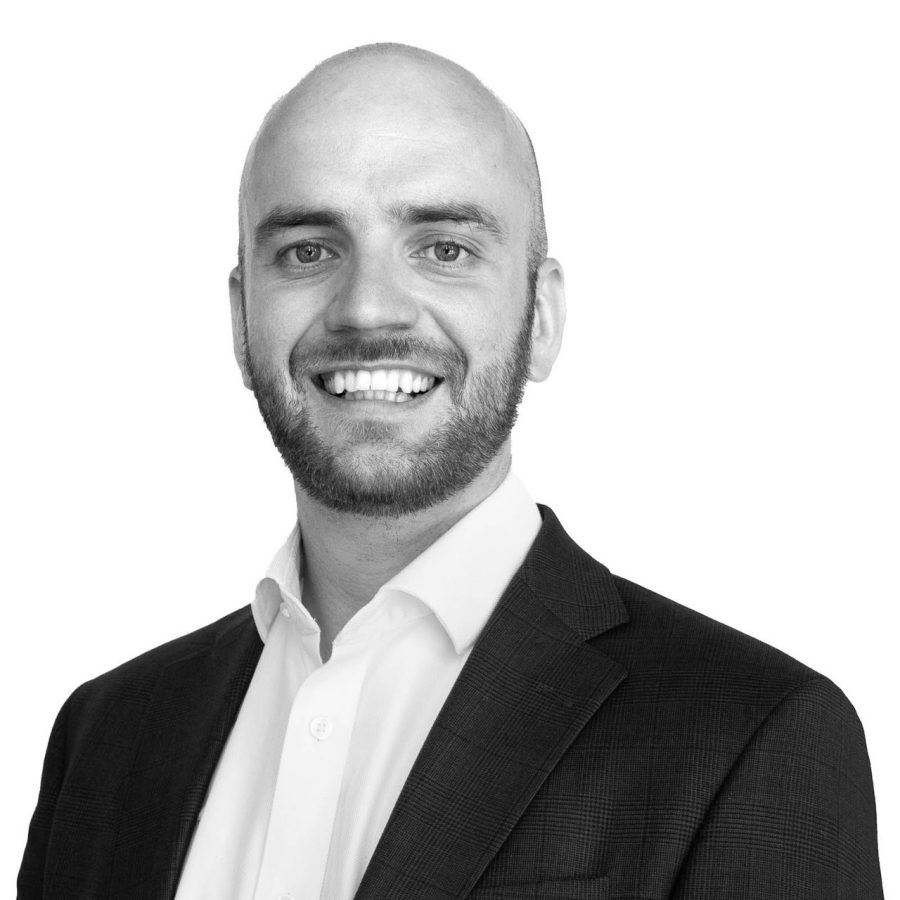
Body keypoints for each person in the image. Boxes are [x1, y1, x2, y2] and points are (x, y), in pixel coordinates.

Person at [18, 43, 883, 900]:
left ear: (542, 317)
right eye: (309, 251)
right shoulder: (104, 740)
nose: (368, 309)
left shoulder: (751, 740)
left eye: (444, 249)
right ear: (242, 319)